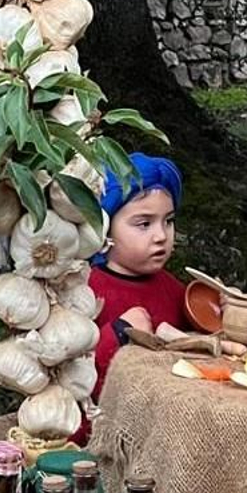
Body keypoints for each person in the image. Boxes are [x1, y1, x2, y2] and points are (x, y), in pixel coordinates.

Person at [89, 153, 187, 399]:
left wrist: (224, 310)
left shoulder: (173, 289)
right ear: (105, 227)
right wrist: (120, 333)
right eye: (144, 224)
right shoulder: (85, 290)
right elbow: (73, 375)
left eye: (169, 221)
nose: (161, 236)